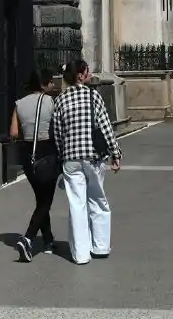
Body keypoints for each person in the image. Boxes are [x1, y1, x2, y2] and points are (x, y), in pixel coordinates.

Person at [51, 59, 122, 265]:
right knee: (98, 199)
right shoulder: (93, 96)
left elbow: (57, 133)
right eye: (88, 71)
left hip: (71, 159)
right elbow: (106, 127)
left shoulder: (60, 100)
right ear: (80, 75)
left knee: (77, 205)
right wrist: (115, 153)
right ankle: (100, 246)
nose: (90, 74)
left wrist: (62, 154)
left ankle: (81, 254)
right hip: (93, 157)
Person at [9, 69, 59, 262]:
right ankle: (28, 238)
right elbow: (57, 126)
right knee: (45, 201)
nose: (53, 86)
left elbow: (13, 132)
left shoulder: (19, 104)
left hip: (27, 156)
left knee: (41, 199)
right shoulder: (50, 102)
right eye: (51, 83)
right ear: (45, 84)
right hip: (46, 152)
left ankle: (47, 240)